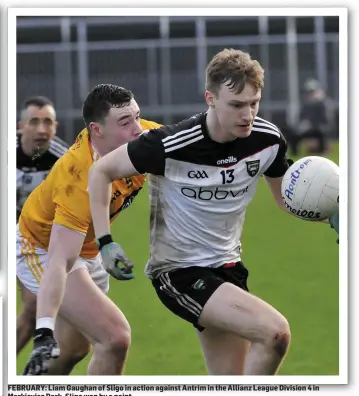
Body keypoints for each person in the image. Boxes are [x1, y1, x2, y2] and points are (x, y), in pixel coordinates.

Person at [88, 49, 338, 376]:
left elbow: (285, 199)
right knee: (275, 333)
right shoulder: (169, 144)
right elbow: (100, 171)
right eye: (236, 105)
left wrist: (332, 215)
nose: (247, 114)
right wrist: (105, 242)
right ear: (211, 98)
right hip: (178, 271)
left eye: (254, 103)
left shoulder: (268, 140)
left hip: (229, 269)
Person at [19, 84, 161, 375]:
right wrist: (44, 330)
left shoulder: (140, 136)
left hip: (86, 248)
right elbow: (60, 261)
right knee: (114, 337)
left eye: (137, 116)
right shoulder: (77, 177)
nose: (138, 129)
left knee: (72, 350)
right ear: (97, 130)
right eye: (125, 122)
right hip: (42, 248)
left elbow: (195, 137)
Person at [17, 96, 69, 356]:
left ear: (55, 127)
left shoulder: (63, 161)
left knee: (34, 305)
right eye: (34, 122)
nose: (41, 129)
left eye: (47, 122)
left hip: (33, 240)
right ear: (20, 126)